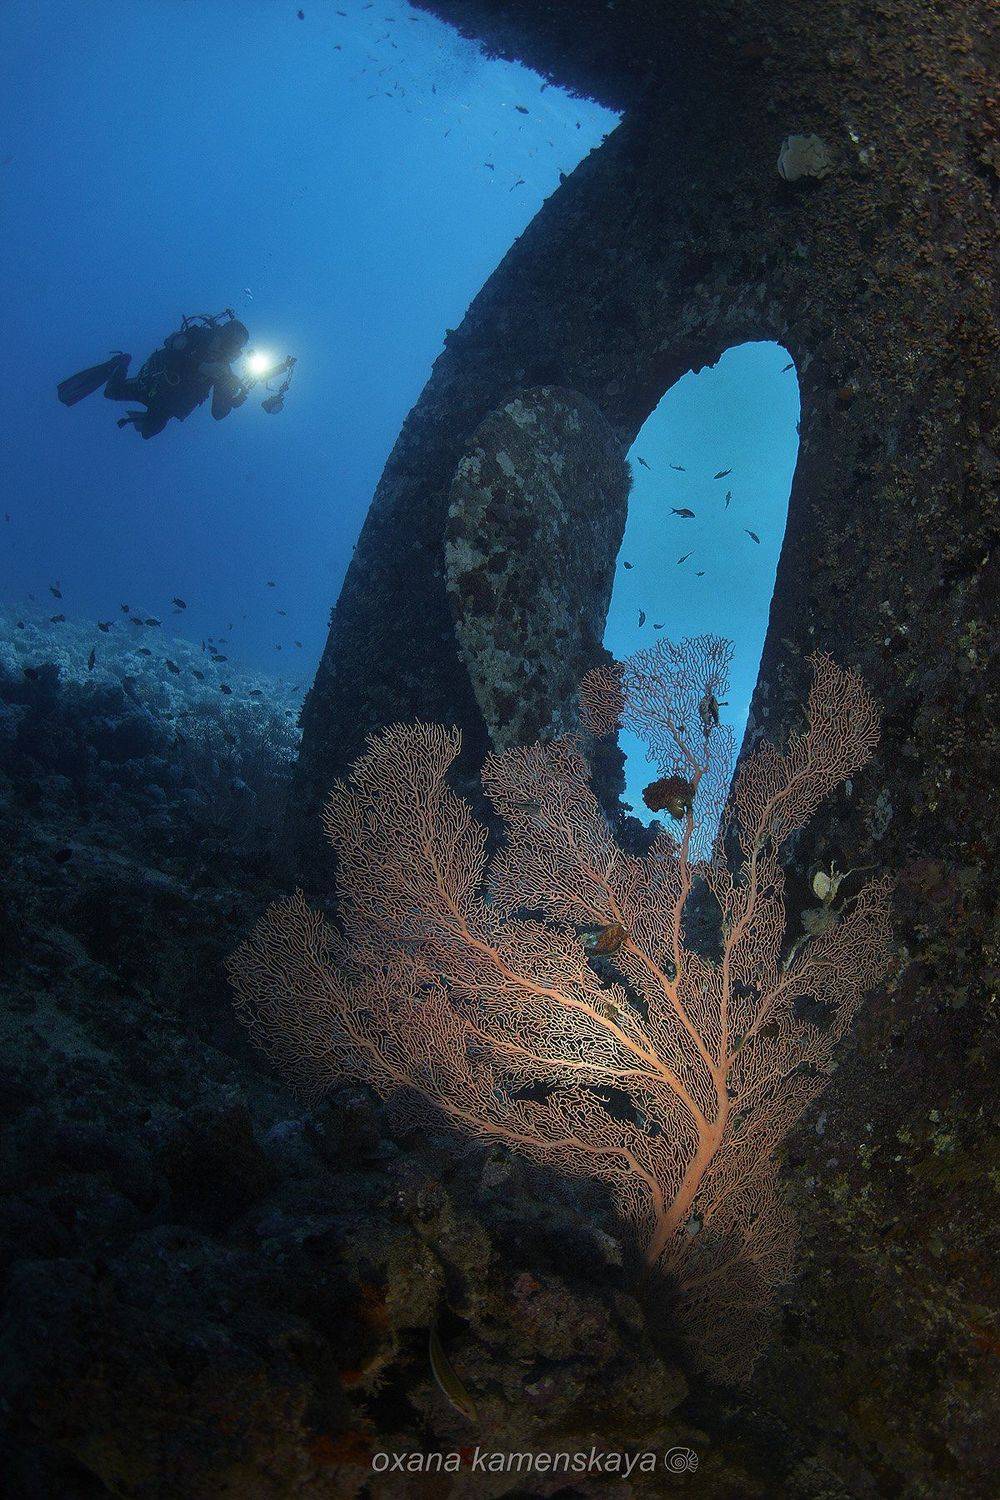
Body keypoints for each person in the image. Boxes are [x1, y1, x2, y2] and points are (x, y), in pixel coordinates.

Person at [57, 310, 252, 439]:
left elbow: (218, 414)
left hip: (167, 406)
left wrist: (233, 400)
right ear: (225, 336)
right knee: (111, 392)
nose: (238, 351)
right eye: (237, 343)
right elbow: (172, 349)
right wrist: (200, 366)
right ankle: (121, 362)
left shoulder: (224, 371)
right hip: (152, 383)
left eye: (241, 346)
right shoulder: (199, 337)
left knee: (148, 433)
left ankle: (125, 376)